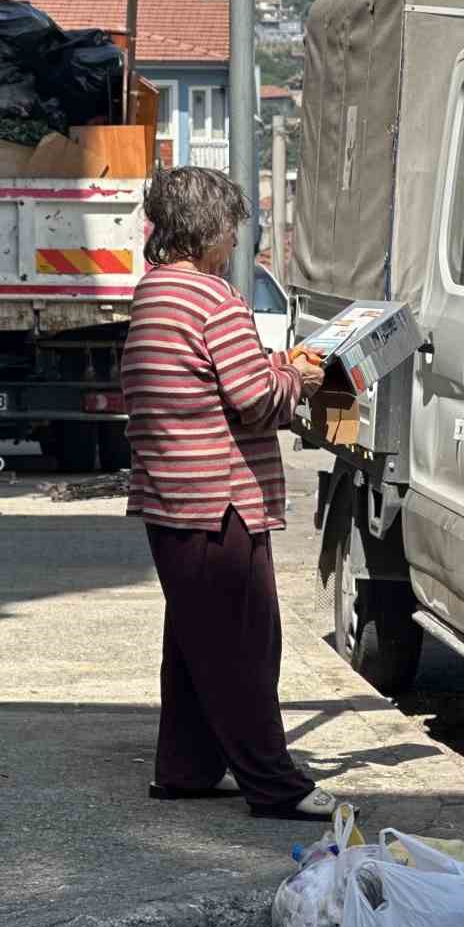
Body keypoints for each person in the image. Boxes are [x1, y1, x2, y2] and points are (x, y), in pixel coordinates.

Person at [121, 166, 334, 820]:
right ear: (208, 230)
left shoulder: (155, 293)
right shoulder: (215, 300)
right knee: (245, 649)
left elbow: (203, 385)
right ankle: (274, 786)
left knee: (195, 645)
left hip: (171, 498)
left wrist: (272, 370)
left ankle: (183, 770)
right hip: (221, 502)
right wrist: (296, 376)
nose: (238, 237)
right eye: (233, 225)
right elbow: (252, 399)